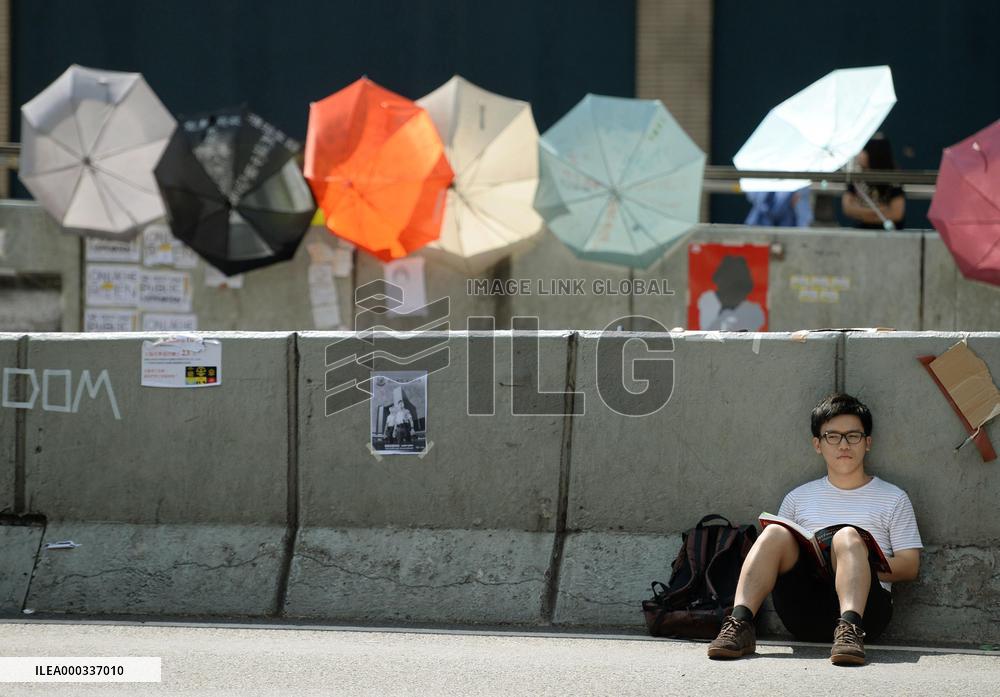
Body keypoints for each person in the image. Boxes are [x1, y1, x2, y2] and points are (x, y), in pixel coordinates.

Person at [707, 393, 922, 665]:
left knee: (846, 536)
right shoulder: (798, 498)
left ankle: (849, 629)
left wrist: (853, 562)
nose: (843, 444)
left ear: (867, 442)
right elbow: (776, 557)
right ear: (818, 444)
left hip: (867, 615)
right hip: (804, 611)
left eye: (853, 436)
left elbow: (910, 566)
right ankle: (739, 624)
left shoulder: (893, 497)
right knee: (775, 532)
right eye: (832, 436)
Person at [841, 135, 906, 230]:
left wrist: (861, 212)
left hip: (888, 234)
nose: (859, 154)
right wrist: (880, 210)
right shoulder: (856, 176)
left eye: (863, 150)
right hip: (861, 231)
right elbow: (847, 208)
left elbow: (897, 213)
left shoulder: (893, 179)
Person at [696, 255, 766, 331]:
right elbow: (706, 332)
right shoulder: (709, 300)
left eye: (737, 288)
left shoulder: (754, 311)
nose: (731, 295)